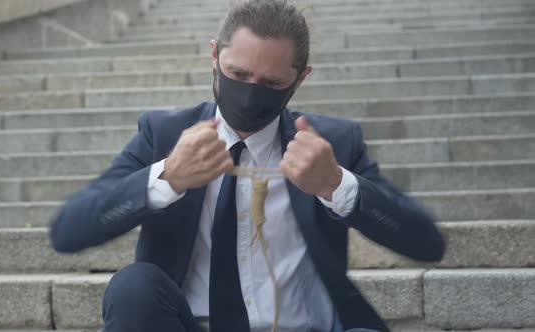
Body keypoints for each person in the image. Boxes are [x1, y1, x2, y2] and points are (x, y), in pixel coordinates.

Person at [50, 1, 445, 331]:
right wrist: (166, 177)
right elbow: (69, 231)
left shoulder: (332, 144)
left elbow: (426, 242)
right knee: (132, 286)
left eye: (271, 83)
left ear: (300, 78)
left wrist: (336, 183)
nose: (249, 91)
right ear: (214, 56)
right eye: (237, 74)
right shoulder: (164, 133)